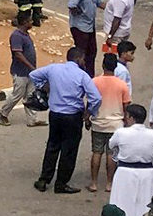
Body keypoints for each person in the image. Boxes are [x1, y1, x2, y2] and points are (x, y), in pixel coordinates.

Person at [32, 48, 102, 194]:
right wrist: (89, 113)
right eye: (83, 59)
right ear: (78, 59)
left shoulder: (53, 69)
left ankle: (44, 180)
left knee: (52, 146)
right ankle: (61, 183)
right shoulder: (82, 75)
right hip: (72, 117)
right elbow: (96, 98)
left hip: (55, 114)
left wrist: (44, 88)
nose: (84, 62)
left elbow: (33, 75)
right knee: (69, 150)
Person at [103, 103, 153, 216]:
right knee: (145, 207)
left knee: (123, 205)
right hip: (147, 174)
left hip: (126, 173)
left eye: (127, 116)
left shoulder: (122, 133)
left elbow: (111, 145)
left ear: (131, 118)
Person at [88, 53, 132, 194]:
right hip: (116, 125)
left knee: (96, 152)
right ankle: (109, 183)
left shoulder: (94, 82)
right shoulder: (122, 84)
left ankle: (94, 183)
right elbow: (126, 106)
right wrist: (126, 121)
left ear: (103, 65)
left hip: (98, 122)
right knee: (111, 154)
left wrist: (87, 118)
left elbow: (90, 102)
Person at [0, 11, 45, 127]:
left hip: (29, 72)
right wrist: (31, 67)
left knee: (30, 95)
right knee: (17, 94)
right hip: (20, 72)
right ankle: (2, 113)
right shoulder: (16, 36)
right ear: (24, 22)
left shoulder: (25, 34)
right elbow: (18, 54)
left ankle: (32, 119)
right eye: (30, 20)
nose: (32, 22)